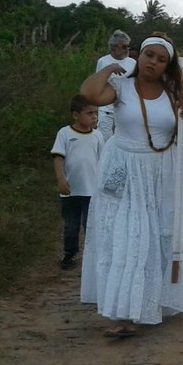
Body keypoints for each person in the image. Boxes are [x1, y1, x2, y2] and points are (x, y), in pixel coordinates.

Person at [79, 33, 183, 338]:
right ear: (137, 56)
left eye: (160, 59)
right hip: (123, 171)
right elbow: (89, 94)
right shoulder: (121, 87)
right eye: (148, 55)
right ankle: (124, 313)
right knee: (126, 238)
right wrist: (109, 69)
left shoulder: (174, 94)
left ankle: (152, 303)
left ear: (168, 65)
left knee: (156, 238)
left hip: (161, 172)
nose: (152, 62)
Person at [51, 95, 104, 270]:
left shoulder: (98, 136)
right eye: (89, 113)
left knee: (91, 225)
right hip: (71, 190)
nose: (94, 117)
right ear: (76, 115)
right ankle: (70, 254)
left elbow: (102, 161)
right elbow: (58, 158)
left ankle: (93, 256)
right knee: (71, 225)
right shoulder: (65, 133)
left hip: (92, 191)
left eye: (96, 113)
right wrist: (61, 179)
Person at [94, 30, 136, 141]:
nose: (128, 49)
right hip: (106, 109)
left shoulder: (133, 63)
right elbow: (97, 83)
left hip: (126, 108)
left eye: (128, 46)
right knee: (104, 140)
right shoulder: (103, 61)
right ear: (115, 47)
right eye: (125, 46)